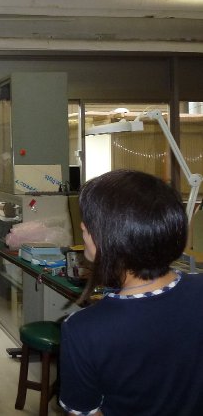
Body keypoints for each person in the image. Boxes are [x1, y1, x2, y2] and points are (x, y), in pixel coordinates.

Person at [59, 169, 203, 416]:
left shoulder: (83, 330)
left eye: (89, 222)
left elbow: (85, 411)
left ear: (110, 239)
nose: (83, 226)